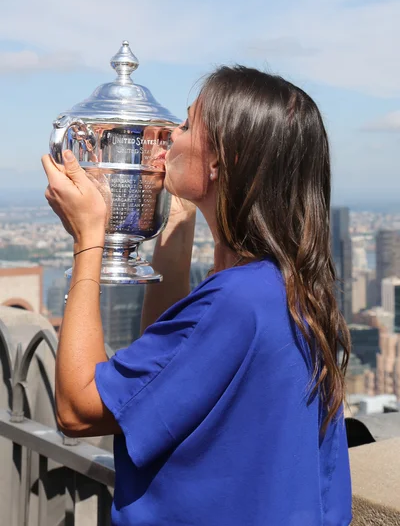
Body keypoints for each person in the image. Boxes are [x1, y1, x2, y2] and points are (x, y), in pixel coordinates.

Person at [42, 66, 353, 526]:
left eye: (186, 125)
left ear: (219, 160)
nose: (167, 139)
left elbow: (77, 408)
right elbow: (168, 377)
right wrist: (179, 214)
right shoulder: (284, 288)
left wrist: (89, 238)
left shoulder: (237, 301)